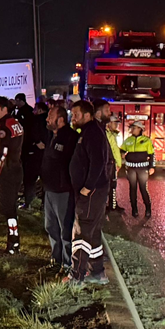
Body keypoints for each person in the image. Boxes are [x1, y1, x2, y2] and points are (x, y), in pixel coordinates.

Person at [68, 100, 113, 284]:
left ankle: (76, 276)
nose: (73, 117)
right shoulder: (89, 131)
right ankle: (97, 272)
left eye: (76, 114)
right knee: (93, 233)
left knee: (82, 231)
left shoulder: (92, 133)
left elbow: (98, 162)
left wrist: (88, 186)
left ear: (87, 115)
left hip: (91, 192)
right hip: (95, 191)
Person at [39, 103, 78, 270]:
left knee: (65, 229)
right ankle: (56, 259)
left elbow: (72, 164)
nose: (47, 119)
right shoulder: (51, 135)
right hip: (49, 189)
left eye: (50, 116)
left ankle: (68, 263)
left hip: (63, 190)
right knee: (50, 226)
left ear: (60, 120)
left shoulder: (71, 137)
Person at [0, 97, 26, 254]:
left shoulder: (3, 128)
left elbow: (2, 155)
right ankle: (13, 240)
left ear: (5, 109)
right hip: (16, 169)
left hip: (6, 173)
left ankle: (13, 242)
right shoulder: (16, 124)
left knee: (8, 210)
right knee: (11, 209)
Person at [120, 120, 155, 219]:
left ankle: (148, 209)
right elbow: (122, 149)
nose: (132, 129)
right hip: (131, 168)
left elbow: (152, 154)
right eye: (132, 127)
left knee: (143, 188)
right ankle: (134, 209)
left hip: (142, 168)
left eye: (134, 128)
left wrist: (152, 166)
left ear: (140, 129)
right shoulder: (128, 140)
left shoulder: (146, 140)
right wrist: (122, 153)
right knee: (132, 188)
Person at [21, 99, 49, 209]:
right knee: (45, 180)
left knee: (29, 179)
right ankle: (44, 203)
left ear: (40, 110)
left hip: (34, 154)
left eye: (35, 109)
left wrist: (37, 142)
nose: (33, 111)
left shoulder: (35, 120)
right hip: (45, 155)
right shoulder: (49, 122)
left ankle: (29, 202)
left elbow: (31, 133)